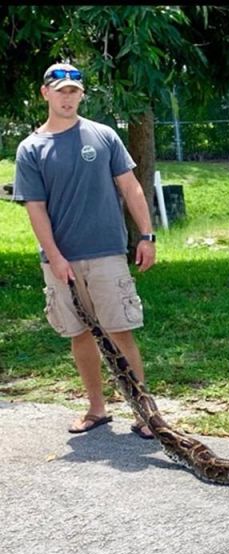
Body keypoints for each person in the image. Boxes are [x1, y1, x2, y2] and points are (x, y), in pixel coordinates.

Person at [12, 62, 159, 436]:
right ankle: (97, 409)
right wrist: (57, 258)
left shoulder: (104, 135)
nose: (67, 98)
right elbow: (36, 209)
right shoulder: (31, 149)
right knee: (79, 335)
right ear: (45, 93)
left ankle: (144, 411)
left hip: (108, 254)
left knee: (119, 331)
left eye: (74, 92)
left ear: (81, 95)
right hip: (61, 261)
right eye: (60, 91)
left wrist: (146, 235)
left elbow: (131, 188)